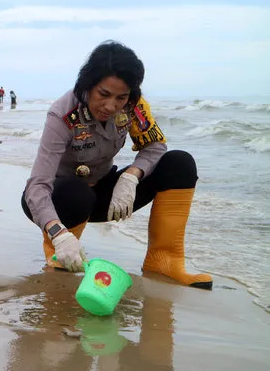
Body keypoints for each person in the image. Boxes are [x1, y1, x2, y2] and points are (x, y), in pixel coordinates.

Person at [21, 40, 212, 290]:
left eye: (120, 97)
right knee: (77, 193)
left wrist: (132, 175)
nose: (111, 106)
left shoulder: (134, 106)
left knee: (179, 163)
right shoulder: (62, 116)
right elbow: (37, 186)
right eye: (104, 94)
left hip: (103, 196)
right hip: (61, 203)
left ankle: (164, 260)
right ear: (88, 85)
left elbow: (155, 146)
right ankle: (60, 257)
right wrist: (58, 233)